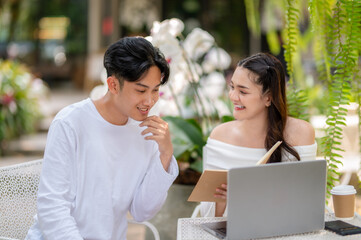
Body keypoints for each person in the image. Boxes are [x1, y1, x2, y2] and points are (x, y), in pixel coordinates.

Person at [26, 37, 179, 239]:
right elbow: (52, 208)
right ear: (113, 85)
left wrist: (165, 154)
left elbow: (142, 212)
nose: (149, 101)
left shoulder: (146, 131)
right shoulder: (70, 123)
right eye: (141, 90)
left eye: (155, 90)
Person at [199, 52, 316, 217]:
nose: (232, 96)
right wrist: (225, 199)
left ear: (268, 97)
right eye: (232, 87)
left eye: (243, 92)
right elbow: (208, 215)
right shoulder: (220, 137)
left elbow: (306, 202)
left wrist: (248, 196)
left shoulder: (301, 133)